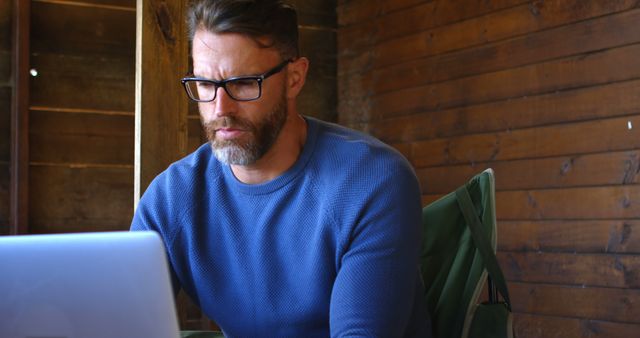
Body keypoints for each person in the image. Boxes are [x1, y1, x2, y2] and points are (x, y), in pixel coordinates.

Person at [131, 0, 431, 337]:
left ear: (294, 78)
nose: (220, 108)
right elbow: (122, 323)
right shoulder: (170, 199)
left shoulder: (372, 182)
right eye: (205, 84)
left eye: (243, 83)